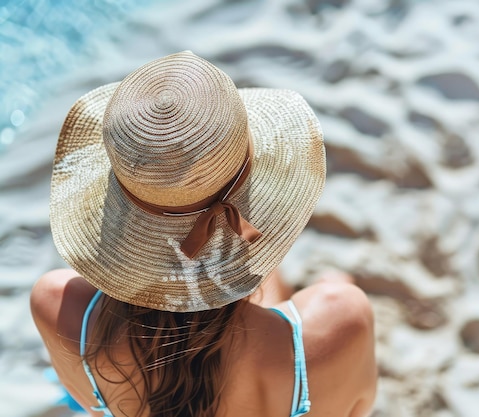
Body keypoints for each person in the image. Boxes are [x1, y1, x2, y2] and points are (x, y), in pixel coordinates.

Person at [30, 51, 377, 417]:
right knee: (326, 286)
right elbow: (358, 409)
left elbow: (92, 406)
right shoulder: (344, 319)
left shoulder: (56, 306)